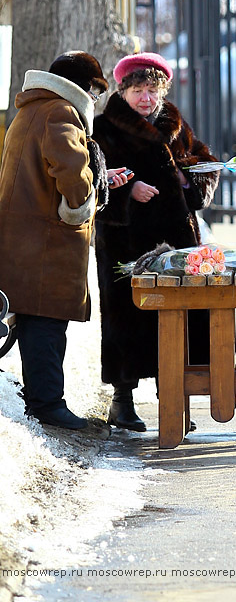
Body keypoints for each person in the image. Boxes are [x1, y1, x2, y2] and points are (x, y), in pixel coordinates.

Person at [0, 51, 129, 430]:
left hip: (25, 239)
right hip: (46, 241)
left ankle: (43, 400)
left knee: (37, 320)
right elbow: (70, 168)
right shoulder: (60, 111)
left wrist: (96, 181)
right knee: (47, 324)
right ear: (81, 87)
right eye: (94, 89)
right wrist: (81, 203)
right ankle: (48, 405)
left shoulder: (32, 108)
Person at [92, 52, 219, 432]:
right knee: (127, 318)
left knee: (180, 317)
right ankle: (122, 400)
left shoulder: (176, 126)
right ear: (123, 91)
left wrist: (188, 181)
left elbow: (206, 165)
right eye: (137, 90)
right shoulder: (104, 128)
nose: (145, 98)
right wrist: (129, 189)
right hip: (127, 241)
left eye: (152, 90)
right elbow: (94, 179)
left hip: (177, 238)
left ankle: (175, 400)